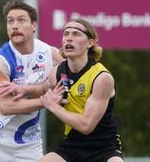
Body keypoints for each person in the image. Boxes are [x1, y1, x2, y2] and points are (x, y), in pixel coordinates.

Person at [0, 0, 62, 162]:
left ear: (34, 25)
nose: (14, 26)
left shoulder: (49, 54)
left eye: (21, 20)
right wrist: (47, 102)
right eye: (10, 21)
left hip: (28, 143)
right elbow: (6, 106)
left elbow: (74, 75)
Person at [37, 18, 124, 162]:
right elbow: (42, 88)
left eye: (76, 34)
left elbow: (86, 125)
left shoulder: (102, 78)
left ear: (90, 43)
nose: (69, 38)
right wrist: (20, 89)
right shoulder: (56, 73)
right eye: (66, 34)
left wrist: (54, 107)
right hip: (72, 145)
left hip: (104, 148)